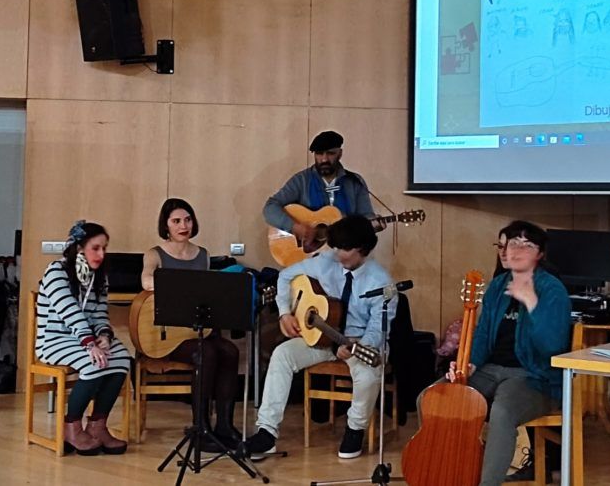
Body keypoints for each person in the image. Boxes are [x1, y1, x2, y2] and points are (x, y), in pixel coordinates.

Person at [243, 215, 396, 460]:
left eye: (345, 248)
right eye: (335, 247)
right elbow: (285, 276)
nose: (338, 254)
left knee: (368, 373)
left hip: (358, 342)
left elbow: (378, 328)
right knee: (282, 354)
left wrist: (359, 346)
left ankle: (355, 429)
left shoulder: (382, 282)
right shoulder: (326, 262)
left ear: (363, 249)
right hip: (323, 337)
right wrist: (284, 313)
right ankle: (267, 433)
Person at [447, 221, 571, 486]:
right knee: (435, 396)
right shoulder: (498, 285)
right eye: (513, 243)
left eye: (527, 245)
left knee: (502, 413)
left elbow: (552, 347)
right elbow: (481, 336)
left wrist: (531, 302)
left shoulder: (552, 290)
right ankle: (451, 471)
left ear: (540, 254)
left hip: (534, 377)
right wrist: (468, 364)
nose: (515, 250)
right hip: (490, 370)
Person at [141, 197, 241, 446]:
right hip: (169, 335)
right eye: (176, 221)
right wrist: (181, 289)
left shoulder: (202, 255)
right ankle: (201, 428)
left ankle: (225, 426)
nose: (183, 225)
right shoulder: (155, 255)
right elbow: (146, 281)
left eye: (187, 219)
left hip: (198, 329)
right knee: (205, 353)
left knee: (229, 351)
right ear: (166, 226)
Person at [35, 220, 131, 455]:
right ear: (79, 248)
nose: (101, 253)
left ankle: (98, 427)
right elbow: (69, 311)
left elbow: (100, 314)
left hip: (83, 339)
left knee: (122, 360)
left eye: (104, 248)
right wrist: (90, 344)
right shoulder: (56, 271)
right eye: (96, 248)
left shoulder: (100, 277)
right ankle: (71, 426)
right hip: (54, 340)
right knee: (94, 363)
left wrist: (104, 337)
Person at [263, 130, 383, 249]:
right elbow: (270, 207)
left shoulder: (355, 182)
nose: (324, 159)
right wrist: (294, 227)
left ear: (340, 154)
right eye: (319, 153)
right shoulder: (302, 181)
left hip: (345, 254)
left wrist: (372, 228)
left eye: (330, 153)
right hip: (310, 258)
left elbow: (365, 219)